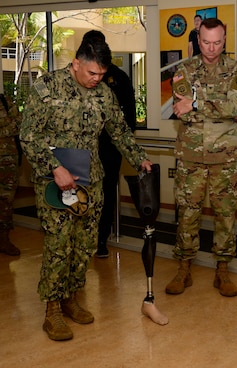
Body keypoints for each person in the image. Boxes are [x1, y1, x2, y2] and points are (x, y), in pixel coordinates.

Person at [20, 37, 153, 341]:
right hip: (55, 182)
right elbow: (28, 136)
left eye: (101, 75)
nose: (96, 80)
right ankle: (52, 309)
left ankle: (70, 298)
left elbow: (119, 131)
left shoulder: (103, 93)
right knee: (59, 246)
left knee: (84, 245)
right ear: (76, 63)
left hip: (89, 180)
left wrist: (140, 159)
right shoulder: (47, 88)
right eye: (92, 73)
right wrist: (54, 167)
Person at [166, 18, 237, 298]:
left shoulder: (236, 70)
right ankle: (184, 268)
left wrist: (198, 102)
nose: (211, 48)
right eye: (205, 42)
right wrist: (218, 106)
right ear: (197, 40)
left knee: (225, 214)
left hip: (225, 157)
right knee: (187, 213)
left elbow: (236, 105)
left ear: (225, 40)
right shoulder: (184, 69)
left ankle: (222, 270)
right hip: (191, 155)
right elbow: (181, 109)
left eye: (217, 42)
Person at [82, 30, 137, 258]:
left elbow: (129, 116)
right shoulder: (74, 78)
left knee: (105, 194)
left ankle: (101, 239)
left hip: (109, 147)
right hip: (80, 149)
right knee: (79, 194)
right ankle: (81, 239)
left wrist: (128, 147)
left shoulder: (117, 77)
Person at [0, 93, 21, 256]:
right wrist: (7, 129)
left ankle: (4, 239)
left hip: (8, 163)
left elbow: (20, 124)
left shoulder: (4, 100)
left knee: (6, 202)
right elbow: (12, 126)